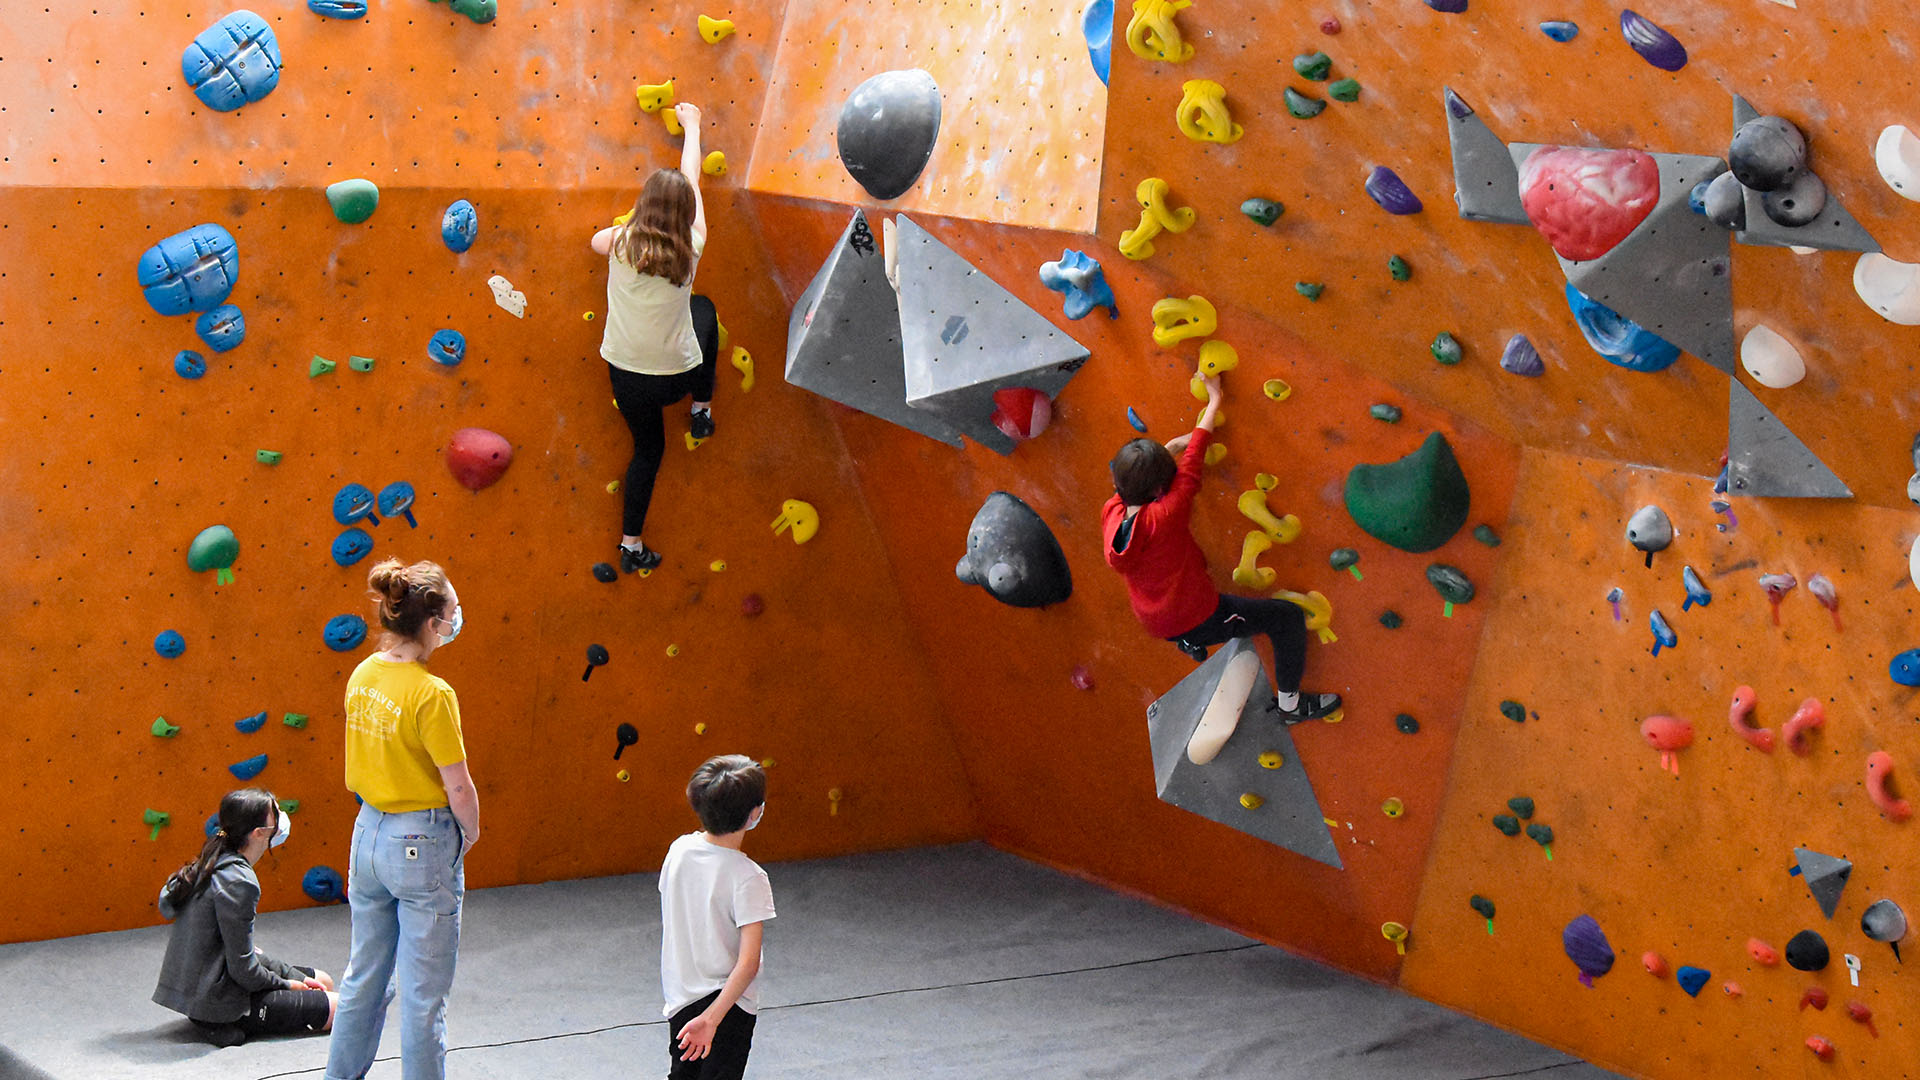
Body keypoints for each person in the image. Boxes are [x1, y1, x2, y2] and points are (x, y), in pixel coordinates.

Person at [1102, 375, 1342, 723]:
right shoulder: (1167, 514)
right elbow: (1193, 463)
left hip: (1151, 615)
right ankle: (1290, 705)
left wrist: (1167, 450)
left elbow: (1149, 481)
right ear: (1159, 490)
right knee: (1286, 618)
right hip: (1196, 616)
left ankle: (1185, 640)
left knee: (1182, 618)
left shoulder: (1112, 510)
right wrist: (1213, 401)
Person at [325, 558, 479, 1080]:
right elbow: (456, 783)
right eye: (454, 611)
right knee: (423, 995)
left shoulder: (363, 673)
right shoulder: (433, 694)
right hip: (421, 839)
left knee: (363, 976)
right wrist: (470, 831)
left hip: (367, 834)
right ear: (433, 623)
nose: (458, 620)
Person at [592, 101, 721, 576]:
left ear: (642, 206)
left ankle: (631, 544)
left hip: (626, 378)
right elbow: (692, 182)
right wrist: (693, 128)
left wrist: (624, 229)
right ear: (687, 213)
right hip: (675, 379)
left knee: (647, 450)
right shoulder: (694, 244)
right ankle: (701, 410)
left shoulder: (621, 241)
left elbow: (594, 242)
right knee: (703, 311)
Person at [153, 787, 338, 1047]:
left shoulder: (213, 860)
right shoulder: (239, 881)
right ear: (259, 833)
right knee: (340, 1009)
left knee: (323, 980)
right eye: (275, 814)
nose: (281, 819)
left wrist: (295, 977)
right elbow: (243, 970)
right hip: (216, 999)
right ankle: (219, 1023)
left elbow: (247, 951)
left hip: (204, 984)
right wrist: (286, 984)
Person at [659, 755, 776, 1080]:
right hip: (728, 1006)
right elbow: (748, 963)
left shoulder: (678, 851)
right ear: (755, 813)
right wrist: (712, 1018)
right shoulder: (749, 877)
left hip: (682, 997)